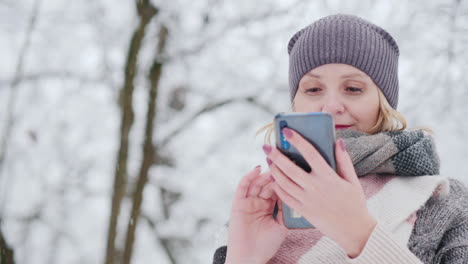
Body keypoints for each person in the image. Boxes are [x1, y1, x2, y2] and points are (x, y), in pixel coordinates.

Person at [212, 14, 468, 264]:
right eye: (313, 89)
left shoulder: (445, 202)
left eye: (353, 89)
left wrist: (358, 234)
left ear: (384, 102)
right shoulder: (263, 206)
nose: (331, 106)